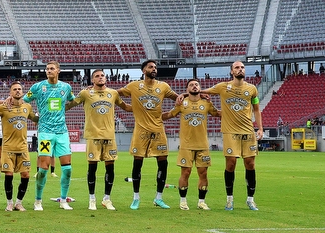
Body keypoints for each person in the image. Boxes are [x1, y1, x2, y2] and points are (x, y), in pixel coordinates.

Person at [202, 61, 264, 211]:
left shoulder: (252, 89)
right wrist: (187, 94)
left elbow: (256, 109)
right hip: (230, 132)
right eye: (237, 67)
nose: (240, 69)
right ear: (231, 71)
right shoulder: (223, 87)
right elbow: (205, 91)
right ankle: (229, 199)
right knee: (231, 163)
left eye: (242, 67)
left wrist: (260, 128)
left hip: (248, 131)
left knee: (250, 164)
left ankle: (250, 199)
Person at [118, 60, 179, 210]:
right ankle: (136, 198)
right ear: (143, 70)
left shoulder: (163, 86)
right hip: (141, 130)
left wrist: (183, 97)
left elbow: (177, 98)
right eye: (151, 67)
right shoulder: (133, 86)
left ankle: (159, 198)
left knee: (163, 162)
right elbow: (115, 93)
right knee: (137, 162)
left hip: (158, 129)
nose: (154, 69)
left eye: (155, 67)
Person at [67, 69, 131, 211]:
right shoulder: (86, 93)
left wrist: (143, 109)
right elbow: (71, 104)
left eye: (102, 75)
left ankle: (107, 199)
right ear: (92, 80)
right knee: (92, 167)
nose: (100, 77)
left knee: (110, 167)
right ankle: (92, 199)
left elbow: (125, 107)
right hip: (93, 136)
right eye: (97, 76)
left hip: (109, 136)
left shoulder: (113, 93)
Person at [23, 61, 76, 211]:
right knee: (44, 168)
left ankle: (63, 200)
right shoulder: (38, 87)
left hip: (62, 132)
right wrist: (34, 117)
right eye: (47, 69)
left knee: (67, 169)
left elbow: (72, 100)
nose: (49, 71)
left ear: (58, 70)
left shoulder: (66, 87)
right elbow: (24, 101)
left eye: (52, 69)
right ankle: (38, 201)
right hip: (45, 132)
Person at [163, 80, 220, 211]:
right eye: (191, 85)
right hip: (186, 145)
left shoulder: (206, 103)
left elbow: (217, 113)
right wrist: (153, 118)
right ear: (187, 89)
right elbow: (169, 114)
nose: (194, 86)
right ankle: (183, 201)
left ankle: (201, 202)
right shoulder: (182, 103)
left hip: (203, 145)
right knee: (185, 173)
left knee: (203, 173)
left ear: (200, 88)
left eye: (197, 84)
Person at [0, 82, 36, 211]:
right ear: (10, 93)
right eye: (15, 89)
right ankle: (9, 202)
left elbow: (35, 119)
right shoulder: (4, 107)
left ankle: (19, 203)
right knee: (9, 175)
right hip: (8, 148)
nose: (18, 91)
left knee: (25, 175)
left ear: (22, 92)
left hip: (23, 148)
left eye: (19, 89)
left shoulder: (27, 107)